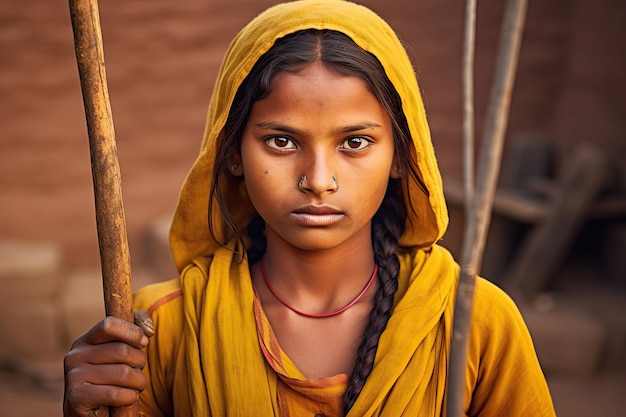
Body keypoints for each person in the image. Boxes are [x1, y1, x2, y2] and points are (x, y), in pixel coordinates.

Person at [63, 1, 556, 416]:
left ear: (402, 157)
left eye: (355, 142)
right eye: (281, 140)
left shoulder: (471, 322)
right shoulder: (163, 328)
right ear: (232, 154)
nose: (318, 180)